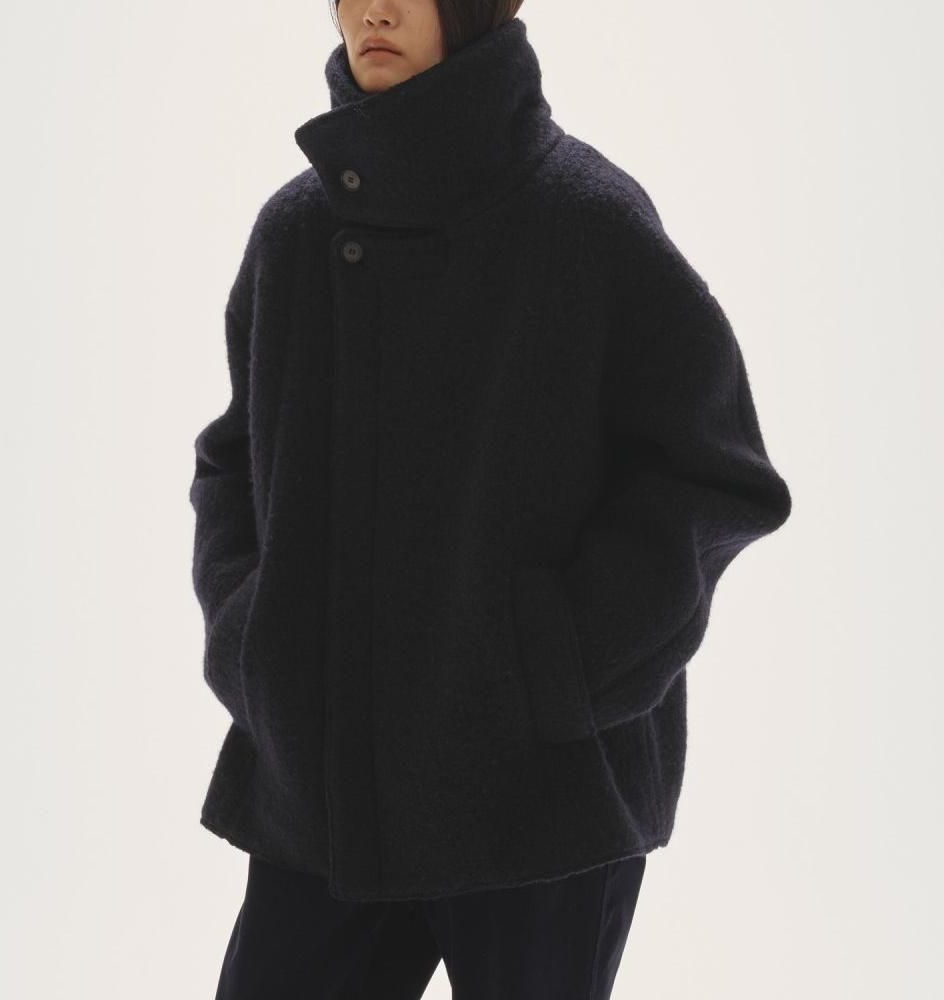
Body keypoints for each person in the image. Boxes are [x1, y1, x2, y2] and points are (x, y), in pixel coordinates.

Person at [189, 2, 793, 997]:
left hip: (539, 806)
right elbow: (232, 460)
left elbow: (712, 470)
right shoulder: (294, 233)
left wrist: (559, 667)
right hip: (325, 795)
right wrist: (254, 642)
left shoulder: (584, 220)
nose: (374, 9)